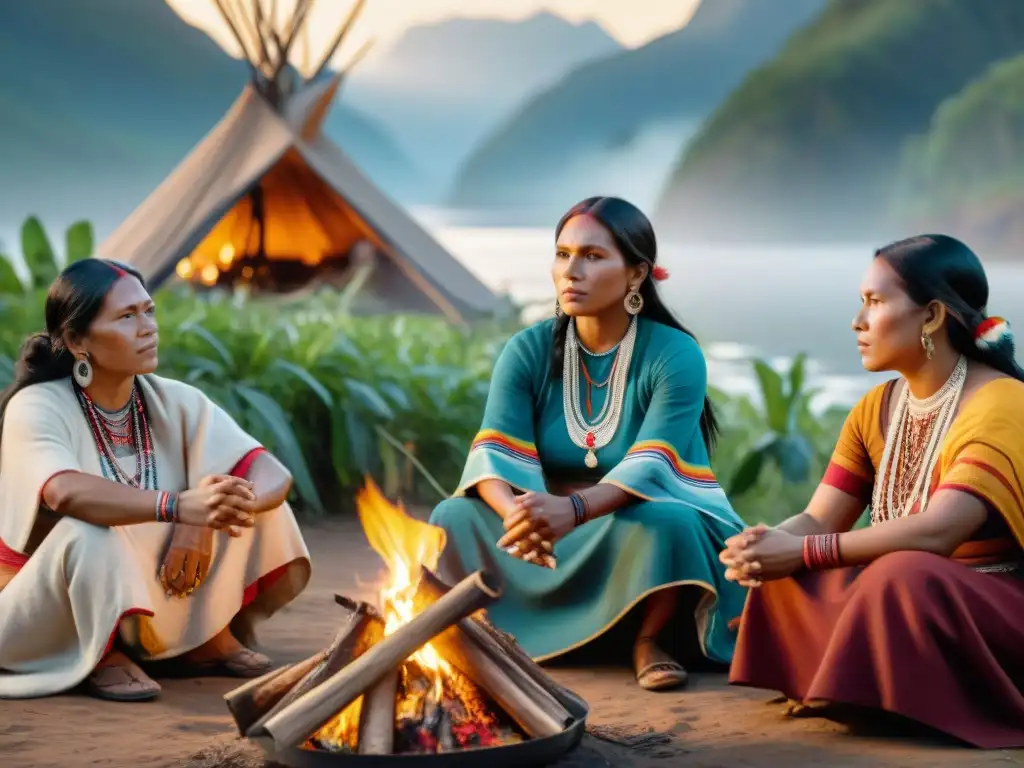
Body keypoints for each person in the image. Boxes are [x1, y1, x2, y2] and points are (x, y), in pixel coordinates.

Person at [429, 196, 747, 691]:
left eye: (593, 257)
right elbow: (492, 452)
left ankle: (649, 639)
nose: (570, 271)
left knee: (671, 523)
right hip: (544, 521)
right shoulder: (528, 349)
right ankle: (491, 635)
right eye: (562, 254)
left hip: (627, 515)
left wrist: (572, 511)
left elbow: (652, 465)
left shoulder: (675, 353)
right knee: (452, 517)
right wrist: (518, 514)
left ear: (637, 274)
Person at [721, 235, 1024, 748]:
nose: (857, 321)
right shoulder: (877, 407)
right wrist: (765, 545)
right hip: (904, 589)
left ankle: (878, 687)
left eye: (875, 302)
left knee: (900, 574)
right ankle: (854, 684)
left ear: (931, 317)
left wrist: (802, 550)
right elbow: (819, 521)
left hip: (989, 604)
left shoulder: (1001, 400)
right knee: (791, 574)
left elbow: (941, 530)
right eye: (862, 301)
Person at [0, 259, 311, 701]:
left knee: (249, 500)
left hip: (143, 581)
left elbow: (272, 474)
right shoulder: (37, 406)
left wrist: (201, 518)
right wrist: (179, 506)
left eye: (148, 311)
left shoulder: (175, 399)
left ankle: (195, 637)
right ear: (75, 340)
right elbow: (64, 492)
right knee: (90, 534)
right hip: (38, 612)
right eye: (127, 317)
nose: (147, 328)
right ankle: (98, 652)